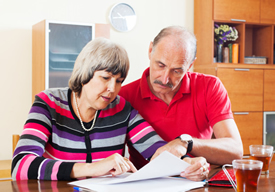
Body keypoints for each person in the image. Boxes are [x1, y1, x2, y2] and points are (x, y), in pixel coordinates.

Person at [12, 37, 209, 181]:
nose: (112, 89)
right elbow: (21, 165)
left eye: (119, 81)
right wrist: (93, 168)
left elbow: (158, 152)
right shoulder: (48, 103)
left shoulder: (121, 108)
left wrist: (188, 164)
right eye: (105, 78)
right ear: (85, 72)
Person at [119, 26, 243, 170]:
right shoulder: (124, 96)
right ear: (150, 50)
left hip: (196, 183)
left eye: (177, 71)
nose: (165, 79)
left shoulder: (210, 86)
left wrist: (185, 143)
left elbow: (235, 151)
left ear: (190, 65)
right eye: (160, 65)